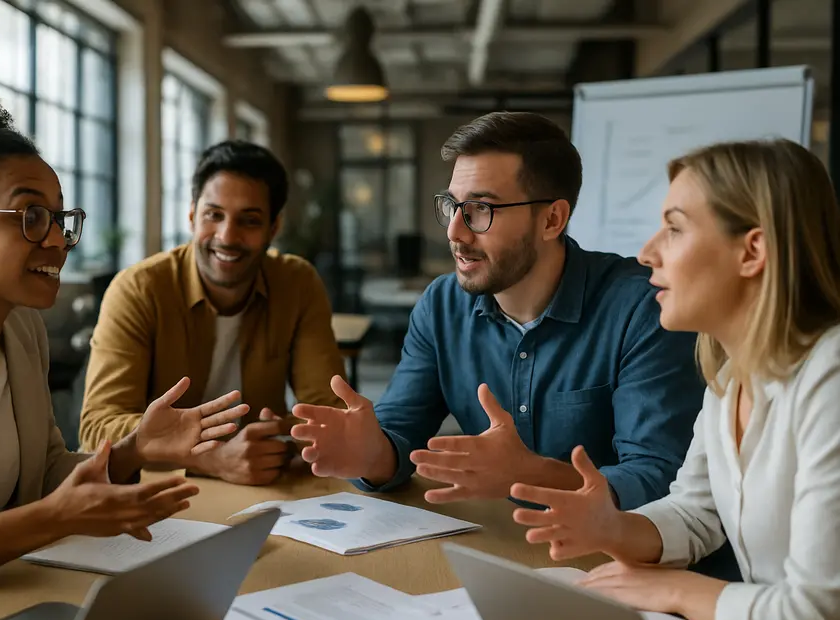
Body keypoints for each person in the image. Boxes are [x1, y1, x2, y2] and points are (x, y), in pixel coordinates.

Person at [0, 83, 247, 600]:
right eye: (31, 217)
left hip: (4, 593)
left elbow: (46, 473)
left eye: (59, 218)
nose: (57, 240)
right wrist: (49, 520)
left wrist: (134, 450)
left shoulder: (21, 329)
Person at [511, 139, 840, 620]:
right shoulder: (731, 376)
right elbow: (696, 513)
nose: (648, 253)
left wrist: (676, 590)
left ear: (752, 252)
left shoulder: (831, 377)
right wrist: (613, 527)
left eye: (675, 228)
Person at [292, 111, 704, 510]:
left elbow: (660, 478)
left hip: (609, 549)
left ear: (552, 219)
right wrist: (371, 454)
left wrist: (530, 474)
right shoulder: (442, 306)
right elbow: (400, 433)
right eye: (452, 206)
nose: (455, 231)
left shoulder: (644, 308)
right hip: (497, 540)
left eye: (481, 209)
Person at [80, 140, 346, 486]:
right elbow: (97, 429)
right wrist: (208, 458)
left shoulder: (297, 284)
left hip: (261, 488)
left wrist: (286, 436)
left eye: (249, 221)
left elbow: (330, 413)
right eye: (214, 215)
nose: (227, 236)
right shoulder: (139, 289)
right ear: (192, 215)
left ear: (273, 228)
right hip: (152, 490)